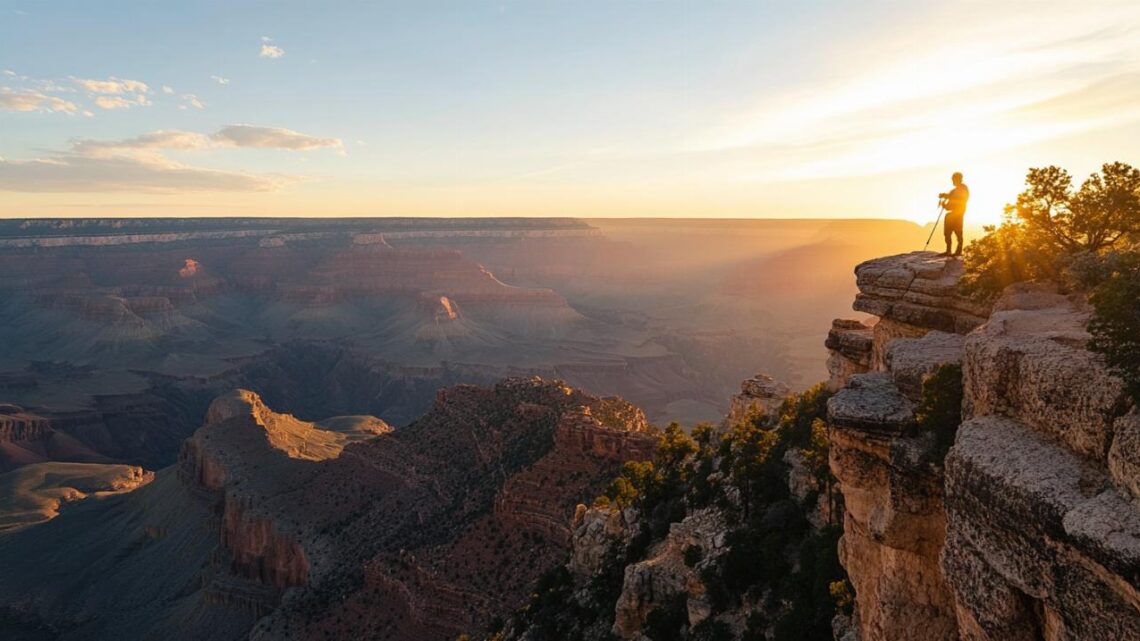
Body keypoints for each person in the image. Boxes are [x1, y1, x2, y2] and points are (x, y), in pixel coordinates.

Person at [938, 172, 969, 257]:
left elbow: (959, 199)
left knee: (958, 232)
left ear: (958, 179)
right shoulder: (954, 190)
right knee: (947, 233)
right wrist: (945, 203)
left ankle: (957, 251)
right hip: (953, 214)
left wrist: (946, 196)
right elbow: (950, 203)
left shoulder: (963, 188)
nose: (952, 181)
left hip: (958, 214)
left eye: (953, 179)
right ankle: (948, 251)